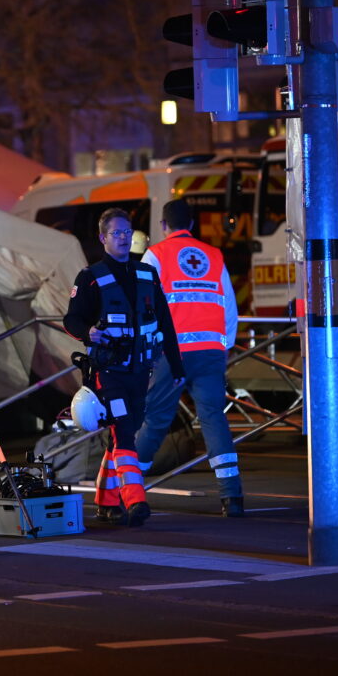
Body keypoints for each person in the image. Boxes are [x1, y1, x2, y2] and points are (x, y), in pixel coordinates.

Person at [63, 207, 184, 526]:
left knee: (120, 435)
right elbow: (71, 319)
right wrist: (87, 331)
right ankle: (136, 501)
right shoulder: (90, 277)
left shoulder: (146, 274)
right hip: (108, 371)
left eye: (127, 233)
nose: (123, 238)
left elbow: (166, 323)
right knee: (125, 433)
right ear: (103, 238)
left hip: (140, 371)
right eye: (116, 233)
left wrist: (176, 364)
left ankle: (105, 502)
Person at [135, 197, 245, 517]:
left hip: (171, 353)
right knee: (213, 418)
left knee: (156, 420)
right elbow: (229, 308)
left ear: (163, 226)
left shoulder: (155, 254)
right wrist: (224, 347)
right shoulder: (213, 255)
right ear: (193, 224)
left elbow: (146, 305)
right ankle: (231, 495)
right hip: (210, 351)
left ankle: (125, 487)